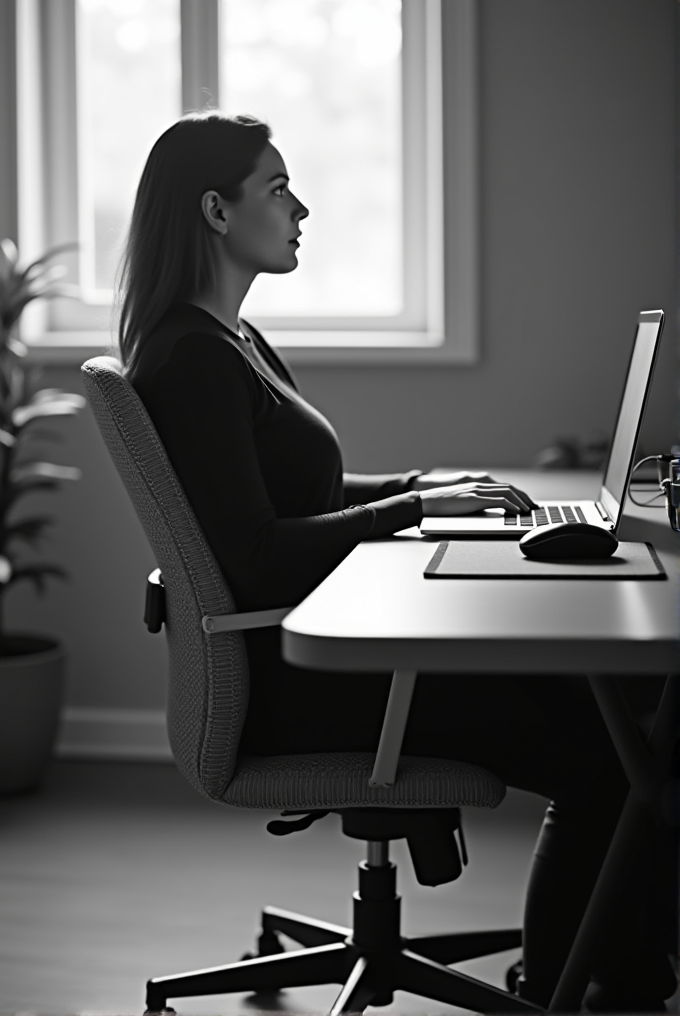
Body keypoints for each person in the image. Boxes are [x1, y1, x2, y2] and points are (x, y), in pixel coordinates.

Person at [115, 110, 677, 1013]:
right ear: (217, 212)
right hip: (300, 685)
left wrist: (424, 484)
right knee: (609, 752)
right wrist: (413, 510)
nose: (303, 207)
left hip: (317, 662)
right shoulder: (192, 361)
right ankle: (580, 988)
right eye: (279, 187)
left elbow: (290, 500)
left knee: (622, 716)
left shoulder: (225, 342)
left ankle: (626, 972)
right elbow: (257, 559)